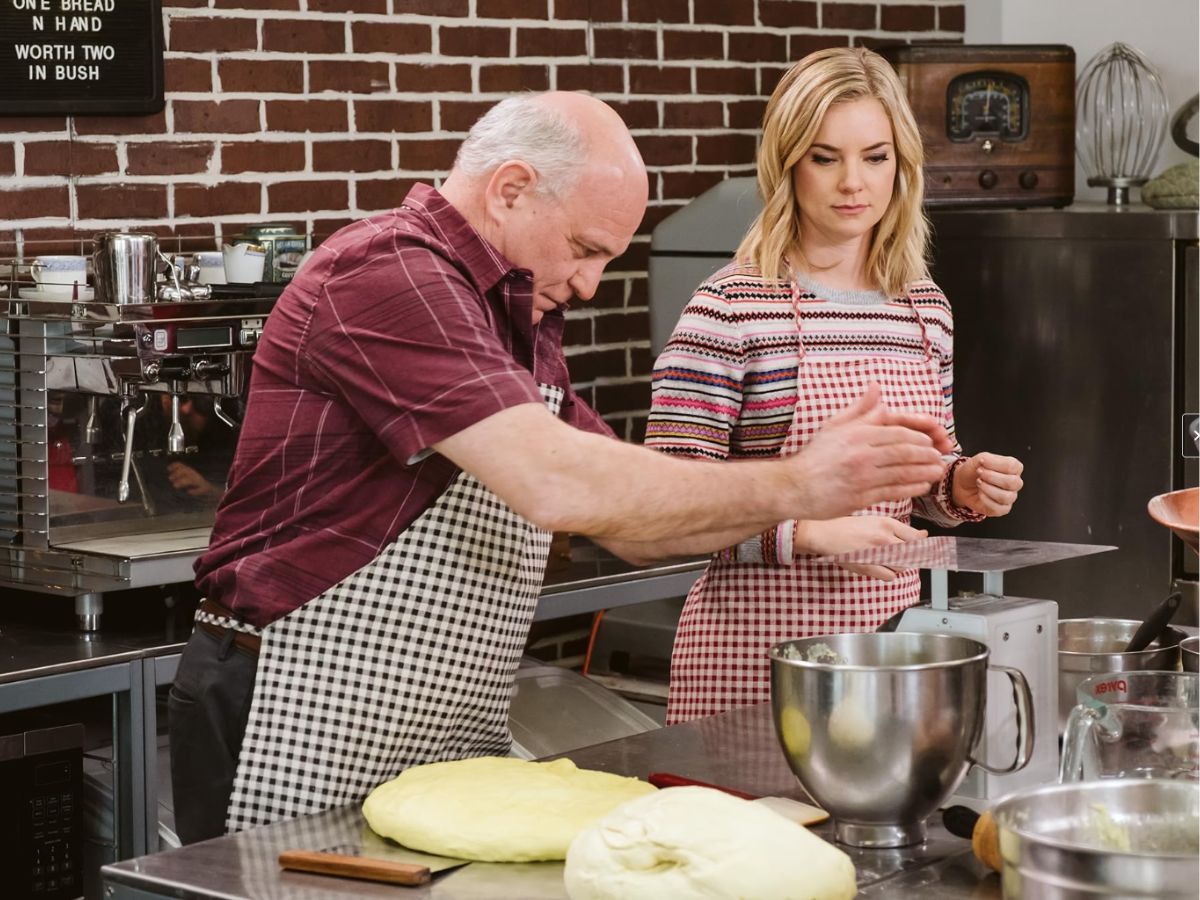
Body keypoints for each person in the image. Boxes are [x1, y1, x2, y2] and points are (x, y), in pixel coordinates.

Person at [169, 90, 954, 844]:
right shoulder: (387, 272)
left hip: (436, 717)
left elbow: (634, 527)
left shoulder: (515, 317)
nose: (589, 284)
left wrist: (823, 499)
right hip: (299, 702)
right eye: (585, 250)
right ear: (512, 189)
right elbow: (556, 482)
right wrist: (799, 484)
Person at [645, 49, 1025, 724]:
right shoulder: (729, 308)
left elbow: (921, 478)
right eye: (826, 157)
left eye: (876, 157)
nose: (854, 183)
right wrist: (812, 535)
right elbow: (665, 514)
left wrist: (959, 486)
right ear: (787, 164)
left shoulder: (924, 308)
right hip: (753, 665)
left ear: (902, 166)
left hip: (889, 656)